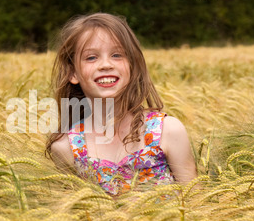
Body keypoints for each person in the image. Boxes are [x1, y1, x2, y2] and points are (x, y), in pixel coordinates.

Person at [45, 12, 197, 196]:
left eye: (117, 55)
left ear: (132, 67)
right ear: (73, 74)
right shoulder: (66, 148)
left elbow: (196, 203)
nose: (106, 64)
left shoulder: (168, 131)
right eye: (91, 58)